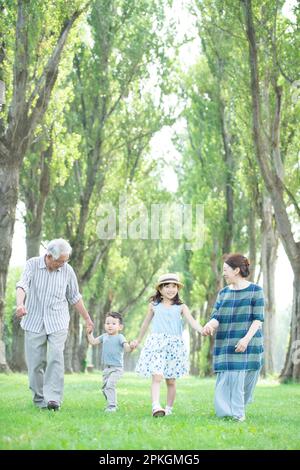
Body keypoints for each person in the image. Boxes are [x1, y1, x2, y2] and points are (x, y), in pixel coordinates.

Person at [16, 238, 94, 411]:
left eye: (65, 261)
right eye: (59, 261)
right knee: (36, 363)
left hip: (58, 321)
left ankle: (53, 399)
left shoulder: (67, 270)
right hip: (34, 320)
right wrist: (20, 304)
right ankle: (39, 399)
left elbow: (74, 296)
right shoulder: (32, 264)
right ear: (49, 256)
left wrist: (87, 318)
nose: (62, 264)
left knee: (56, 357)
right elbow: (22, 285)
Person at [202, 253, 264, 422]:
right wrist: (209, 325)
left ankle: (237, 409)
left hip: (249, 341)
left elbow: (258, 319)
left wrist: (245, 339)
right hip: (226, 341)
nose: (223, 273)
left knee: (246, 380)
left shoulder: (255, 291)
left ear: (236, 270)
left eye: (226, 270)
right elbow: (217, 316)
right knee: (230, 378)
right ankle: (236, 414)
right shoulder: (223, 293)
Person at [130, 273, 203, 417]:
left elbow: (192, 321)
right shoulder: (154, 306)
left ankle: (168, 408)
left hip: (174, 346)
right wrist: (138, 339)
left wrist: (202, 329)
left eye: (174, 286)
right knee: (157, 376)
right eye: (167, 286)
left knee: (171, 381)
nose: (171, 289)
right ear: (160, 289)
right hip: (157, 343)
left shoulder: (181, 307)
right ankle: (156, 406)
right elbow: (145, 323)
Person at [87, 312, 133, 412]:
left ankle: (112, 406)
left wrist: (131, 346)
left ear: (120, 327)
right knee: (104, 389)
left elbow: (127, 348)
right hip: (106, 368)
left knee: (110, 385)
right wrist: (89, 334)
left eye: (113, 323)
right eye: (107, 323)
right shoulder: (104, 336)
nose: (110, 326)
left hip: (117, 368)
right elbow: (93, 342)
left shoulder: (120, 337)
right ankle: (111, 403)